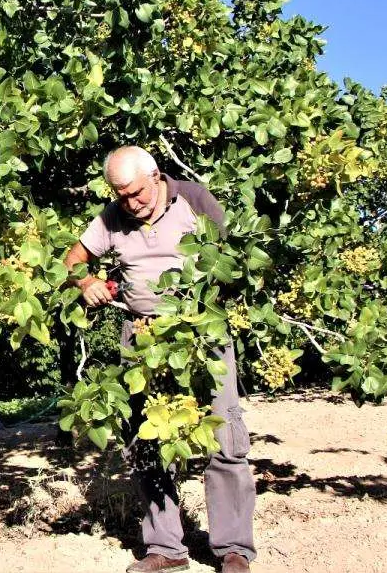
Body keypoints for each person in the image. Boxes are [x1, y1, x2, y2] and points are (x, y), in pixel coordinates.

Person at [63, 146, 256, 573]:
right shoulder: (111, 216)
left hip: (201, 334)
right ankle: (165, 549)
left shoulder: (195, 200)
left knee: (224, 438)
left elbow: (237, 259)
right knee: (146, 442)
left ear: (155, 176)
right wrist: (88, 279)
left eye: (135, 192)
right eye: (120, 194)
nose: (130, 202)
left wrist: (211, 309)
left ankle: (234, 549)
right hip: (142, 336)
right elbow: (73, 259)